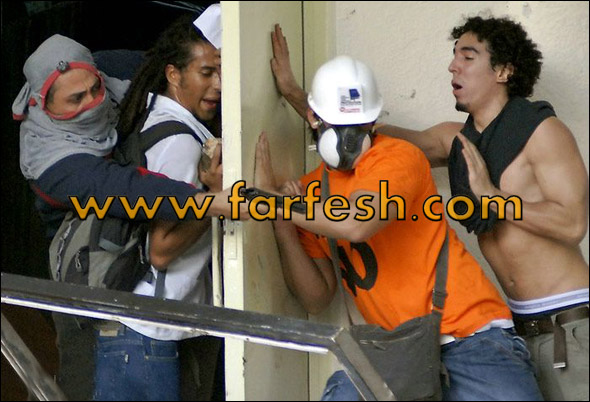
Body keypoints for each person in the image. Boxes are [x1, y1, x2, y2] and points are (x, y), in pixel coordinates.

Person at [270, 18, 589, 400]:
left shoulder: (542, 130)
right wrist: (300, 98)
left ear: (504, 71)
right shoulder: (457, 139)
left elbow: (572, 224)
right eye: (454, 56)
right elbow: (359, 136)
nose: (453, 67)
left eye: (467, 57)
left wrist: (492, 197)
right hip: (519, 325)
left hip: (568, 322)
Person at [11, 16, 240, 400]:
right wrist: (212, 199)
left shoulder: (105, 69)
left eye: (94, 90)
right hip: (86, 266)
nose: (91, 103)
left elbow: (169, 59)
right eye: (75, 100)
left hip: (150, 293)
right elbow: (130, 190)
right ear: (43, 104)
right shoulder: (55, 165)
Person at [92, 9, 223, 401]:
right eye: (206, 73)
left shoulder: (155, 119)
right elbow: (160, 250)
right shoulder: (179, 142)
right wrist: (215, 200)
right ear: (173, 74)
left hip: (135, 326)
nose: (218, 85)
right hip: (147, 332)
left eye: (221, 73)